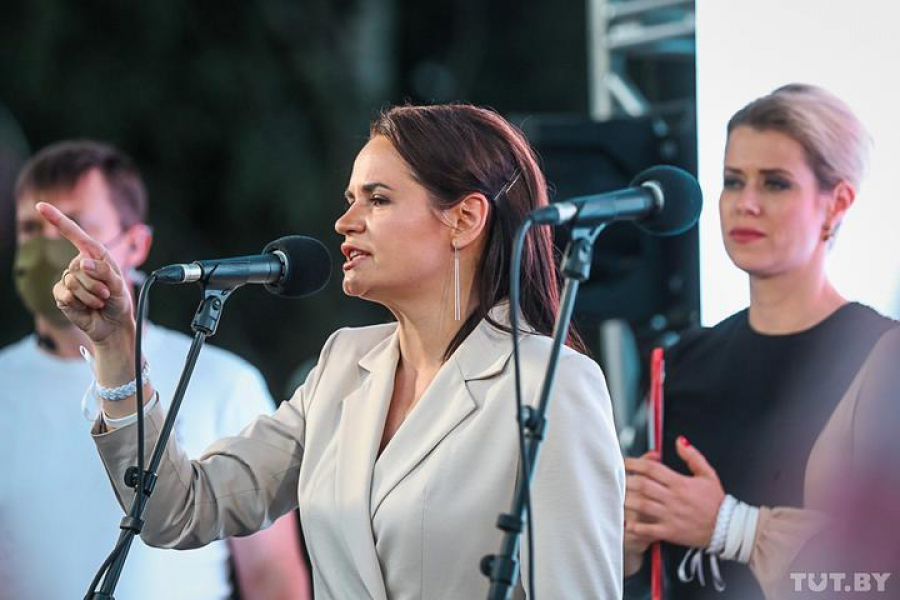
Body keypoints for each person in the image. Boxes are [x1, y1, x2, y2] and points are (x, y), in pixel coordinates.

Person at [41, 104, 626, 598]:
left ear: (465, 218)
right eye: (351, 198)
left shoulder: (553, 383)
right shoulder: (344, 366)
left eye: (377, 199)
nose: (345, 222)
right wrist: (116, 346)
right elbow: (179, 509)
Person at [0, 140, 311, 600]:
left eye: (73, 227)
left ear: (136, 243)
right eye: (32, 229)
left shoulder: (223, 382)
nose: (48, 251)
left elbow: (273, 576)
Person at [622, 84, 897, 599]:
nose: (746, 204)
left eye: (775, 184)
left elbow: (881, 573)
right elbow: (638, 569)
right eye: (733, 181)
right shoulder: (683, 359)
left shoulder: (881, 357)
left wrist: (730, 526)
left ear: (837, 203)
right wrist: (626, 528)